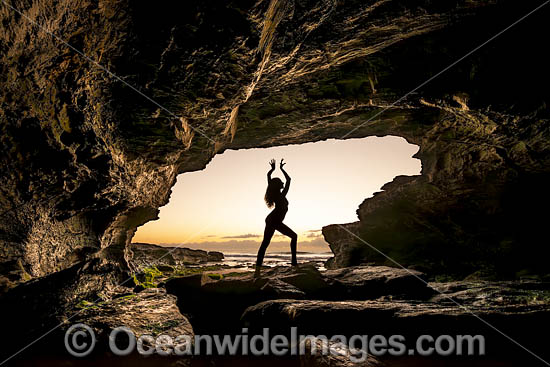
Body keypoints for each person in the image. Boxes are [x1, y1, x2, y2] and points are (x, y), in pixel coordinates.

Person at [255, 158, 298, 278]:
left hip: (273, 220)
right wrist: (275, 170)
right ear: (277, 185)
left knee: (265, 244)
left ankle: (257, 271)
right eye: (280, 182)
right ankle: (294, 264)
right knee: (292, 237)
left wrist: (277, 169)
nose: (283, 183)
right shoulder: (277, 195)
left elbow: (286, 180)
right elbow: (283, 179)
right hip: (273, 220)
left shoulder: (281, 194)